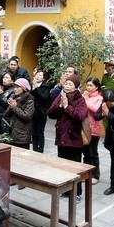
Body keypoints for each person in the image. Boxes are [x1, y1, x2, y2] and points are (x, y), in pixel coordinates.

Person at [47, 73, 88, 204]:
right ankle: (64, 191)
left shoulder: (80, 100)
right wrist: (59, 106)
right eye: (67, 83)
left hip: (74, 138)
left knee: (75, 168)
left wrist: (67, 107)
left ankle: (77, 193)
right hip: (61, 138)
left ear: (76, 87)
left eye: (71, 84)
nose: (67, 86)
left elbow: (80, 116)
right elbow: (50, 113)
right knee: (62, 166)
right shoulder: (60, 96)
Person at [82, 77, 104, 184]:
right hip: (84, 128)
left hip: (94, 129)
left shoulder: (99, 98)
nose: (89, 87)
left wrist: (85, 100)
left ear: (96, 87)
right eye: (88, 85)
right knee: (85, 153)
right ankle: (86, 173)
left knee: (93, 153)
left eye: (91, 85)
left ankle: (95, 175)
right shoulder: (85, 96)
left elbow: (96, 110)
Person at [4, 78, 35, 149]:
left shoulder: (29, 100)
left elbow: (27, 116)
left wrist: (14, 107)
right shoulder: (14, 97)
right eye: (14, 87)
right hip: (12, 132)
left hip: (23, 135)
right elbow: (6, 115)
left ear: (24, 88)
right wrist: (10, 107)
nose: (15, 89)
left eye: (18, 87)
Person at [31, 69, 52, 153]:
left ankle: (40, 150)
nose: (37, 76)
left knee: (40, 132)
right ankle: (34, 148)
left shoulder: (46, 87)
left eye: (40, 75)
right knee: (33, 132)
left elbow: (44, 98)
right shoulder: (31, 85)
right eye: (37, 74)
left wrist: (36, 88)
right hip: (32, 111)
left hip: (41, 112)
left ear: (43, 78)